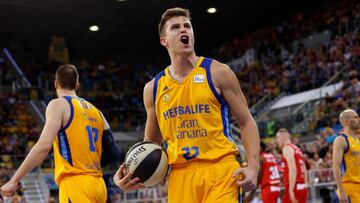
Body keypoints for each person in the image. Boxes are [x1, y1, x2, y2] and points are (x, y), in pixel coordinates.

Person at [114, 7, 260, 202]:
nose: (184, 30)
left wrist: (253, 166)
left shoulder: (217, 72)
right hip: (179, 176)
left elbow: (246, 122)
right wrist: (129, 173)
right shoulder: (153, 88)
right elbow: (150, 146)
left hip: (221, 170)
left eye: (187, 26)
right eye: (175, 27)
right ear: (163, 40)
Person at [1, 64, 121, 202]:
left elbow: (44, 146)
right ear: (77, 85)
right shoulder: (97, 112)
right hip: (99, 185)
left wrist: (15, 180)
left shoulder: (58, 105)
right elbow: (114, 153)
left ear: (56, 84)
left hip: (75, 184)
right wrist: (88, 164)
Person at [332, 109, 360, 203]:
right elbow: (336, 167)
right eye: (356, 117)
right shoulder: (341, 139)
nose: (359, 119)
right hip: (348, 187)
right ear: (347, 122)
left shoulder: (357, 139)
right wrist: (341, 190)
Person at [275, 128, 307, 203]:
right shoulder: (297, 149)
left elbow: (293, 169)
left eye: (277, 138)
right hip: (302, 187)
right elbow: (305, 170)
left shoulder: (286, 148)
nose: (277, 141)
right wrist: (305, 185)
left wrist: (291, 190)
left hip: (294, 186)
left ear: (283, 136)